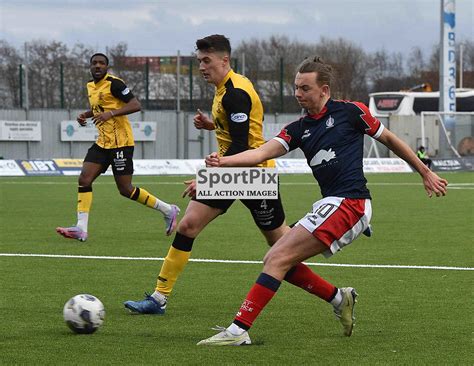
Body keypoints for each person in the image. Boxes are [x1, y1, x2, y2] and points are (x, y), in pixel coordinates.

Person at [197, 56, 448, 346]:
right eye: (296, 88)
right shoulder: (298, 129)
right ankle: (340, 298)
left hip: (351, 203)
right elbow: (260, 153)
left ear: (324, 90)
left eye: (305, 88)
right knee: (278, 260)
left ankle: (238, 331)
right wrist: (223, 162)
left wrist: (425, 172)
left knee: (276, 259)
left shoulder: (351, 112)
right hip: (332, 204)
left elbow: (390, 140)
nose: (298, 94)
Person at [124, 37, 355, 334]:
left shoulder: (235, 93)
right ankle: (159, 297)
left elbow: (243, 144)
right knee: (188, 226)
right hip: (235, 172)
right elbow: (238, 131)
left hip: (253, 176)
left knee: (281, 249)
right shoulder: (226, 89)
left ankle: (338, 296)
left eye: (206, 61)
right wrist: (212, 126)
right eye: (199, 62)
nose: (202, 67)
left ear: (224, 61)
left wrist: (209, 180)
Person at [56, 53, 180, 242]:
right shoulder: (90, 85)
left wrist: (111, 114)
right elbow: (100, 109)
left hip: (121, 142)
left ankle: (168, 210)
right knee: (84, 179)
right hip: (102, 143)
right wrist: (86, 114)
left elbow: (135, 104)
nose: (98, 66)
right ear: (90, 66)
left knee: (125, 189)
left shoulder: (115, 84)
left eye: (101, 63)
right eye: (94, 63)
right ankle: (81, 228)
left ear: (107, 66)